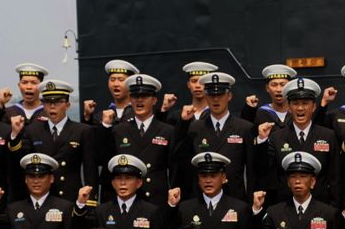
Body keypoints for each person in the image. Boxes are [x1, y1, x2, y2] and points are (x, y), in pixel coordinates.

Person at [257, 77, 340, 207]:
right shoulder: (276, 137)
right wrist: (261, 141)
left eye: (305, 103)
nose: (300, 108)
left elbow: (335, 177)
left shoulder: (328, 135)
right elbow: (265, 172)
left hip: (321, 205)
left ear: (314, 107)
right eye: (295, 103)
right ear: (289, 108)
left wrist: (334, 209)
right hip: (286, 207)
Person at [96, 74, 177, 205]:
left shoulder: (167, 131)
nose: (139, 101)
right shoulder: (119, 130)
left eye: (144, 96)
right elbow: (104, 162)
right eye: (135, 96)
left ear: (154, 100)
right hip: (128, 200)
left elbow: (174, 169)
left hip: (156, 200)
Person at [177, 72, 257, 203]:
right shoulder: (194, 128)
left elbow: (252, 170)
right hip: (201, 199)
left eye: (220, 95)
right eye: (211, 95)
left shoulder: (244, 128)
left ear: (229, 96)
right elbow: (181, 162)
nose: (215, 99)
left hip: (234, 197)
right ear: (205, 96)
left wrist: (250, 201)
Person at [13, 79, 96, 202]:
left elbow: (90, 169)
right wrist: (15, 135)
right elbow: (21, 164)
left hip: (70, 197)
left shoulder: (82, 131)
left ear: (67, 105)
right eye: (47, 102)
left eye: (57, 102)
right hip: (42, 198)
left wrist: (90, 201)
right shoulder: (32, 131)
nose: (52, 106)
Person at [82, 59, 139, 126]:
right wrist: (87, 116)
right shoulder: (100, 117)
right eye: (112, 80)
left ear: (131, 83)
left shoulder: (140, 114)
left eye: (121, 80)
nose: (115, 84)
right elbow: (88, 135)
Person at [241, 64, 296, 130]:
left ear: (289, 87)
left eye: (283, 85)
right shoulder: (260, 114)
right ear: (267, 88)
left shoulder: (298, 112)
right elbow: (245, 131)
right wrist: (249, 110)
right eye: (274, 85)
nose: (278, 89)